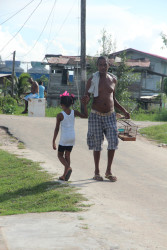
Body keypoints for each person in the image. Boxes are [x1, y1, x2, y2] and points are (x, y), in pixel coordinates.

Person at [82, 56, 130, 182]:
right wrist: (85, 100)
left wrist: (124, 110)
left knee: (113, 141)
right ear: (97, 66)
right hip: (96, 115)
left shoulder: (113, 79)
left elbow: (113, 99)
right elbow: (86, 97)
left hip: (110, 115)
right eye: (100, 65)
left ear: (109, 65)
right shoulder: (92, 79)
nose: (103, 67)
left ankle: (108, 171)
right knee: (97, 144)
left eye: (105, 65)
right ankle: (97, 171)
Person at [52, 91, 88, 181]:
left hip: (64, 138)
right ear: (71, 103)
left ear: (62, 104)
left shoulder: (60, 115)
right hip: (72, 137)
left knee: (60, 155)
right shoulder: (74, 112)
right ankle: (64, 175)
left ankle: (68, 168)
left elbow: (57, 129)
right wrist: (85, 105)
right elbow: (85, 116)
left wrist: (53, 141)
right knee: (67, 155)